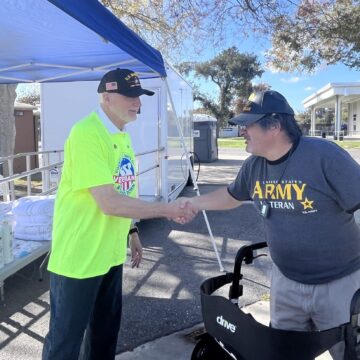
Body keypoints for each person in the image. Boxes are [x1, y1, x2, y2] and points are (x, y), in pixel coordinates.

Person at [179, 90, 360, 359]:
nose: (242, 131)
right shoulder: (254, 166)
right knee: (282, 352)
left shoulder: (324, 156)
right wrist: (194, 204)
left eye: (247, 125)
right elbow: (231, 196)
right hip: (287, 282)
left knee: (347, 352)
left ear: (274, 126)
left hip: (339, 284)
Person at [42, 68, 196, 360]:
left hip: (109, 256)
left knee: (104, 337)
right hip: (80, 259)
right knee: (65, 342)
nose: (137, 103)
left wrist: (133, 230)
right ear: (106, 97)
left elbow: (125, 191)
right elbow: (109, 202)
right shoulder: (87, 133)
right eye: (130, 96)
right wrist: (165, 209)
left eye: (140, 96)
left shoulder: (122, 135)